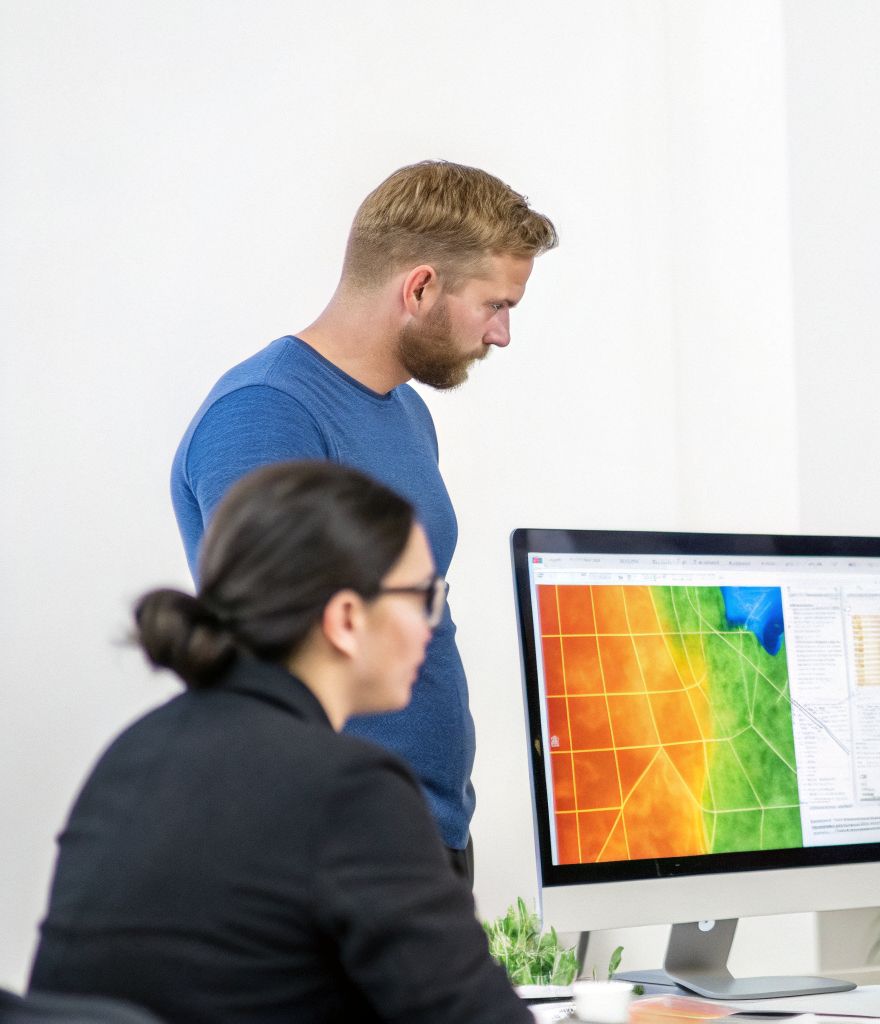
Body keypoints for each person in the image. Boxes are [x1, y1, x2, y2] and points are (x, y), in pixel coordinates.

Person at [30, 461, 530, 1024]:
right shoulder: (349, 788)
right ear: (345, 619)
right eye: (420, 597)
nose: (428, 626)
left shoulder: (131, 754)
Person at [170, 160, 557, 882]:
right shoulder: (264, 414)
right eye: (495, 305)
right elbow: (279, 647)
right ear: (419, 288)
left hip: (424, 826)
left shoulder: (406, 412)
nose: (502, 334)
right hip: (331, 837)